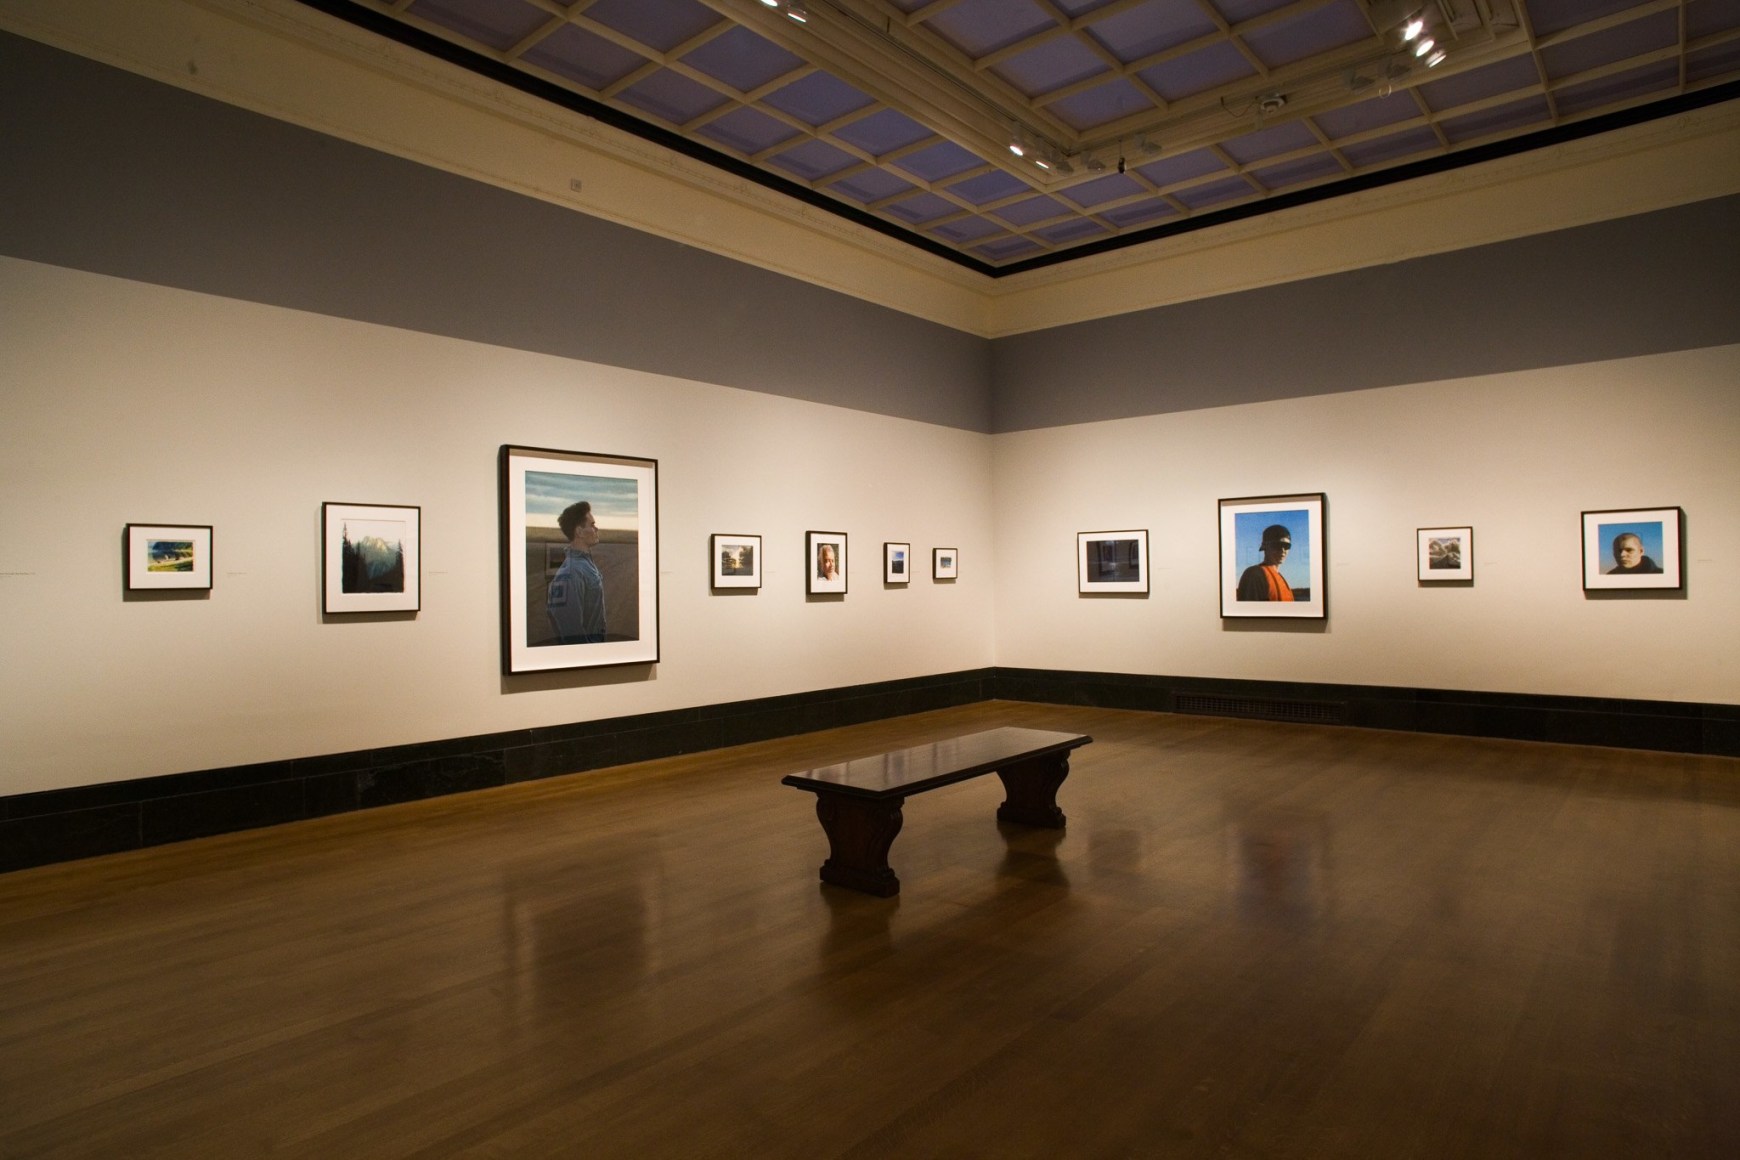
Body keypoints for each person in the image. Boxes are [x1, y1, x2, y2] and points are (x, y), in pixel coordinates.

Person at [546, 500, 605, 643]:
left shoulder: (585, 564)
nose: (596, 529)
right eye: (592, 525)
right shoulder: (571, 572)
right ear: (579, 532)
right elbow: (570, 629)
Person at [1236, 523, 1295, 601]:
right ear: (1265, 546)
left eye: (1287, 546)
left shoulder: (1281, 579)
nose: (1283, 550)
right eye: (1277, 545)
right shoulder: (1254, 574)